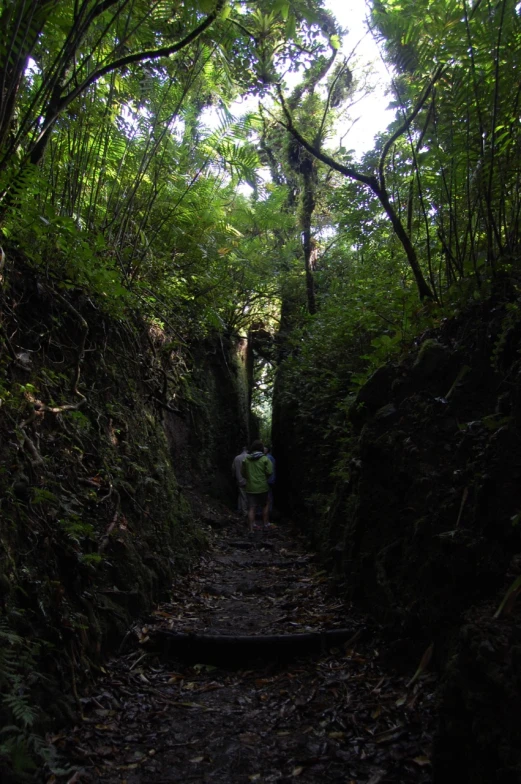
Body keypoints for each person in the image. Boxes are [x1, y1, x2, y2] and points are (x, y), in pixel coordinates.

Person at [241, 440, 273, 533]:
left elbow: (243, 473)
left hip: (250, 487)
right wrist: (264, 477)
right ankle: (265, 525)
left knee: (251, 508)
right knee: (265, 504)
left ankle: (251, 529)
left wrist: (250, 477)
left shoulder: (246, 459)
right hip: (262, 487)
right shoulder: (265, 459)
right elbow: (270, 472)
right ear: (261, 448)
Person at [232, 446, 248, 517]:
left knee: (242, 496)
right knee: (247, 497)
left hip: (240, 480)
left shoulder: (236, 458)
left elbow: (233, 469)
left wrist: (234, 476)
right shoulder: (250, 457)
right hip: (249, 481)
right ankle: (246, 512)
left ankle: (241, 510)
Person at [264, 445, 276, 514]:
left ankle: (268, 511)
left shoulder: (268, 458)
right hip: (270, 479)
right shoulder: (270, 457)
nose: (263, 450)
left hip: (268, 480)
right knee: (269, 496)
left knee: (268, 497)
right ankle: (268, 511)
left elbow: (270, 470)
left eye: (264, 449)